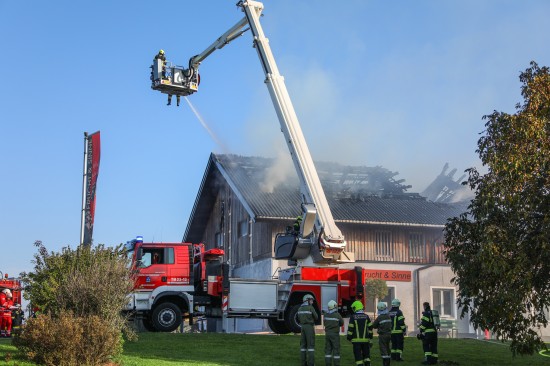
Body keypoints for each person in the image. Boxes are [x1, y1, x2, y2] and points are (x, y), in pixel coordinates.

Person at [346, 300, 373, 366]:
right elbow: (370, 327)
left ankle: (360, 365)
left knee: (358, 355)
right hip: (365, 340)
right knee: (366, 354)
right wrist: (370, 336)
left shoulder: (353, 317)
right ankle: (367, 364)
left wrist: (349, 337)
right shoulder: (366, 316)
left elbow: (350, 328)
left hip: (356, 341)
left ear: (355, 308)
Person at [298, 294, 319, 366]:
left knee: (303, 346)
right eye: (311, 299)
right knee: (310, 346)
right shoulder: (310, 307)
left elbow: (298, 318)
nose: (312, 301)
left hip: (302, 327)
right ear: (307, 300)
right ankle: (311, 363)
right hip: (309, 327)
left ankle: (303, 363)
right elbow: (316, 317)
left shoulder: (300, 308)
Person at [323, 299, 344, 366]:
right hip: (335, 334)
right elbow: (342, 323)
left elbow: (324, 323)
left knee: (328, 350)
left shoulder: (325, 315)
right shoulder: (337, 315)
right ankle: (336, 364)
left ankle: (328, 364)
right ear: (334, 306)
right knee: (336, 350)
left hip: (328, 334)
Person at [372, 302, 392, 366]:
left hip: (382, 335)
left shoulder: (379, 317)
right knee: (387, 347)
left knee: (383, 348)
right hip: (389, 334)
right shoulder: (388, 316)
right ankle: (388, 362)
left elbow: (374, 326)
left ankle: (385, 363)